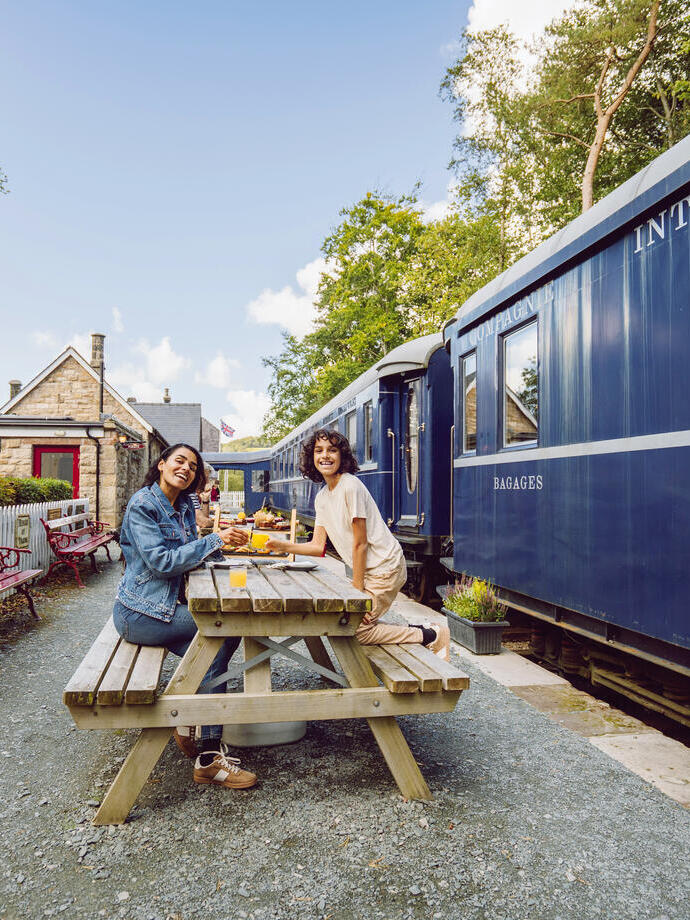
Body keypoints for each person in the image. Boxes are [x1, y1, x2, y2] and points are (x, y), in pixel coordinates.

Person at [113, 443, 258, 790]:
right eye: (180, 461)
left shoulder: (183, 506)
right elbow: (163, 562)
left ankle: (197, 739)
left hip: (164, 607)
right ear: (162, 464)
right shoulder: (143, 506)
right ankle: (204, 749)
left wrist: (223, 553)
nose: (186, 469)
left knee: (216, 649)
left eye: (193, 466)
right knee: (222, 633)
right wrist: (214, 542)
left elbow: (187, 554)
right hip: (141, 612)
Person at [266, 429, 449, 658]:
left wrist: (357, 590)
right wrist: (282, 547)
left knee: (356, 631)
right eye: (319, 450)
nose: (325, 455)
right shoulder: (322, 497)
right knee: (347, 621)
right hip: (372, 571)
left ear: (342, 455)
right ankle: (394, 631)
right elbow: (317, 546)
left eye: (332, 450)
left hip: (385, 568)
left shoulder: (350, 485)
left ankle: (430, 635)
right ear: (311, 458)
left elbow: (360, 544)